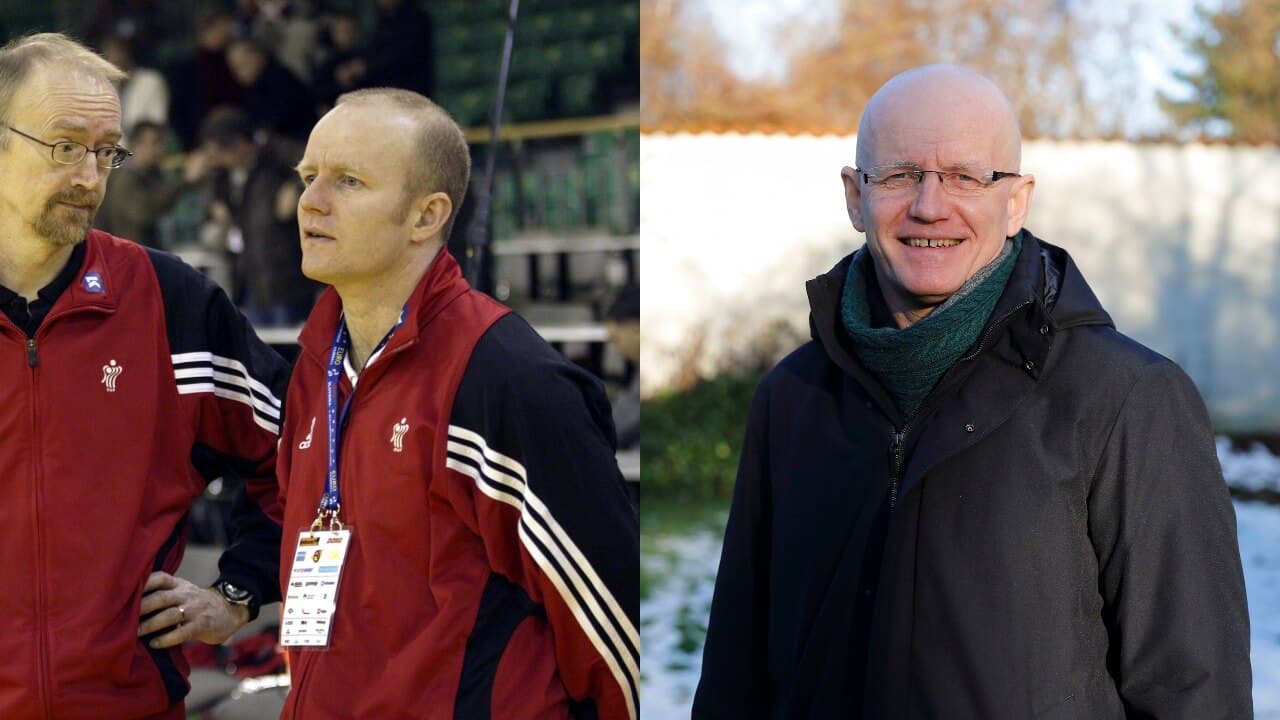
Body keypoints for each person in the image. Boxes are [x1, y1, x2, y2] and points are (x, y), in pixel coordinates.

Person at [693, 64, 1252, 719]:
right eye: (901, 174)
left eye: (966, 176)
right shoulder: (790, 400)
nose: (931, 206)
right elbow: (737, 680)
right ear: (854, 195)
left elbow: (1193, 689)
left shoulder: (1128, 401)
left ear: (1016, 201)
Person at [275, 87, 639, 719]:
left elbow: (614, 637)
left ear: (426, 216)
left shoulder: (507, 378)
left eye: (349, 181)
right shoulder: (314, 366)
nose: (312, 201)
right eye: (309, 176)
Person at [0, 33, 288, 719]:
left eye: (108, 152)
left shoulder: (171, 303)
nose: (90, 178)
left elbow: (303, 453)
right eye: (66, 146)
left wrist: (238, 595)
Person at [197, 106, 317, 324]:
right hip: (251, 278)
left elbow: (314, 165)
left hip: (287, 277)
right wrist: (214, 205)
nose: (218, 159)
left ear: (239, 145)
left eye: (222, 153)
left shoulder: (275, 158)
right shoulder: (222, 176)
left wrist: (297, 188)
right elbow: (210, 199)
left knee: (291, 347)